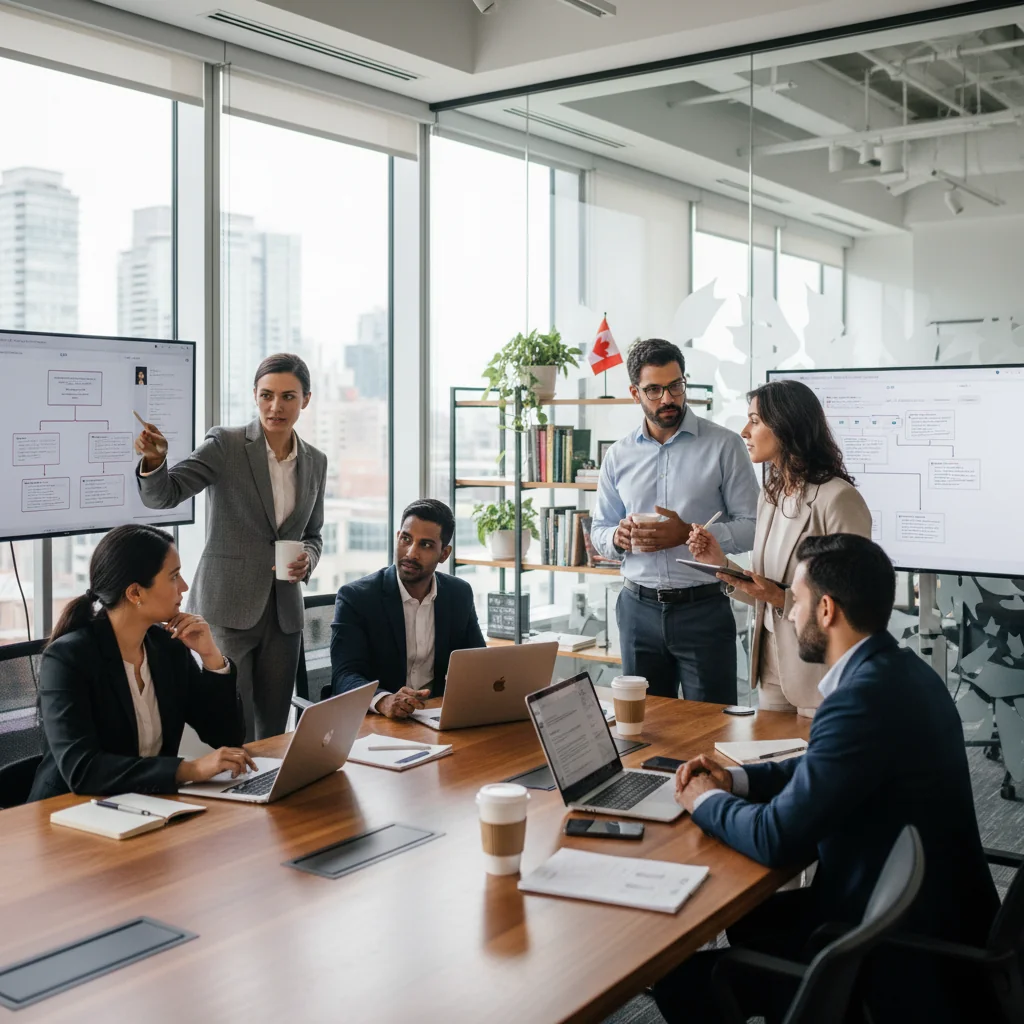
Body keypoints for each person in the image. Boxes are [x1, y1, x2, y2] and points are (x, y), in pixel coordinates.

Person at [654, 534, 1000, 1024]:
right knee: (750, 922)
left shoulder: (858, 701)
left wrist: (705, 800)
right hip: (926, 910)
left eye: (795, 601)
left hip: (892, 948)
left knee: (679, 979)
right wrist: (738, 782)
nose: (791, 614)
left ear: (826, 610)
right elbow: (825, 766)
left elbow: (776, 838)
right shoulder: (902, 673)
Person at [134, 352, 327, 740]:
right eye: (267, 395)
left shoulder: (316, 461)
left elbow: (314, 534)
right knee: (229, 722)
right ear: (254, 395)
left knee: (272, 728)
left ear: (305, 399)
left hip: (284, 614)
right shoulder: (226, 444)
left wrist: (309, 559)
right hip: (227, 607)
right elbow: (164, 496)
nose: (276, 406)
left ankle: (268, 795)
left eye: (288, 396)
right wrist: (155, 462)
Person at [687, 379, 871, 716]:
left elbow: (857, 600)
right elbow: (765, 585)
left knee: (815, 766)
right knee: (772, 761)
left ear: (786, 427)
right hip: (772, 665)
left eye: (755, 421)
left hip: (820, 670)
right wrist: (719, 562)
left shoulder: (838, 498)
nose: (745, 431)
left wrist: (780, 598)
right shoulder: (771, 496)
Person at [29, 525, 253, 802]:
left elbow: (226, 736)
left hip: (145, 805)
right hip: (69, 812)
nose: (184, 587)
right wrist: (189, 769)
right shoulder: (67, 660)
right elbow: (83, 769)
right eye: (173, 577)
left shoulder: (167, 646)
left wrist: (211, 657)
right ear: (135, 593)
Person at [590, 339, 758, 703]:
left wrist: (688, 534)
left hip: (703, 609)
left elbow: (755, 526)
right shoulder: (617, 455)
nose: (668, 398)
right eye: (654, 390)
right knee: (644, 727)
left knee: (711, 726)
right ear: (635, 392)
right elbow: (599, 529)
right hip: (637, 610)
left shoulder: (725, 446)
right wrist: (616, 538)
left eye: (676, 385)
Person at [331, 499, 486, 719]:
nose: (411, 553)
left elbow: (478, 662)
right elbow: (344, 676)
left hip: (436, 715)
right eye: (406, 539)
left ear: (444, 554)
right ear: (397, 538)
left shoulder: (458, 593)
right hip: (377, 720)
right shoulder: (357, 598)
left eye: (425, 545)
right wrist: (383, 700)